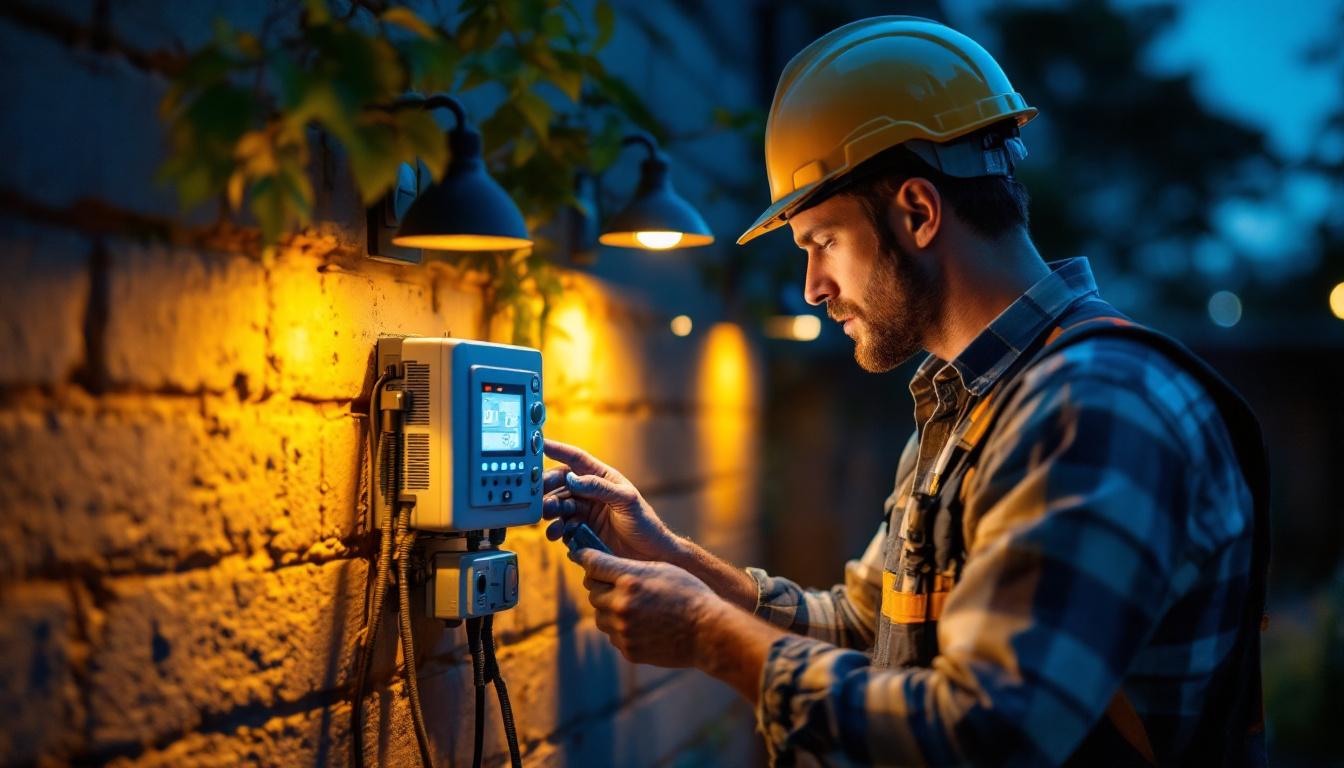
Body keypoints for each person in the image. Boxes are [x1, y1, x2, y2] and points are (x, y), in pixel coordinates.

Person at [543, 16, 1269, 767]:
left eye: (822, 242)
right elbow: (869, 630)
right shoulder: (971, 403)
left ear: (919, 213)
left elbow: (990, 732)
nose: (813, 287)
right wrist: (679, 562)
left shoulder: (1092, 407)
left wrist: (708, 634)